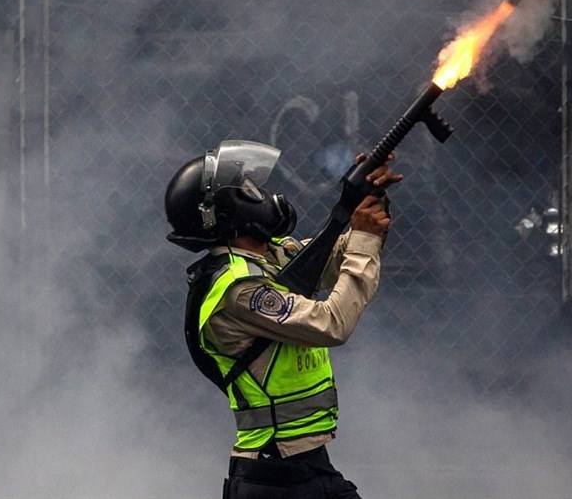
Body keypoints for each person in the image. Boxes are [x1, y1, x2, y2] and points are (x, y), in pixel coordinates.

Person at [164, 140, 402, 499]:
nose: (261, 195)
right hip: (276, 475)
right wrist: (365, 235)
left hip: (302, 466)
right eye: (248, 190)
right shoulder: (238, 288)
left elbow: (340, 254)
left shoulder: (268, 257)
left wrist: (369, 204)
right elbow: (332, 322)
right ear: (228, 212)